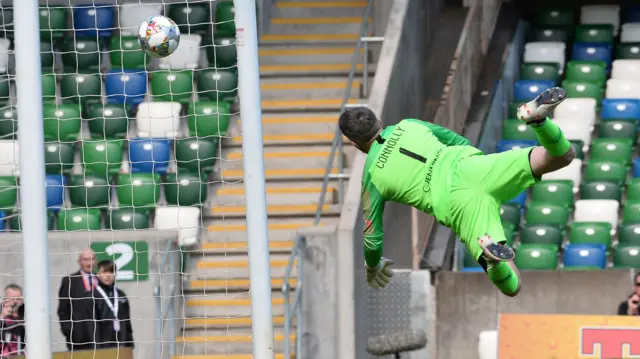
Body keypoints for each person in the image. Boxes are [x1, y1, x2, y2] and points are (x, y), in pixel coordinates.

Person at [340, 87, 576, 296]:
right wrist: (475, 165)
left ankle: (492, 259)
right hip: (473, 166)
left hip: (457, 203)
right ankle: (538, 121)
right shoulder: (409, 125)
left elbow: (372, 238)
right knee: (562, 156)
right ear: (379, 120)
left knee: (512, 286)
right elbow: (456, 140)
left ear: (353, 142)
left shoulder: (371, 176)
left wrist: (372, 267)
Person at [57, 248, 98, 351]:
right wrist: (70, 331)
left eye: (92, 259)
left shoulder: (101, 279)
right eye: (86, 259)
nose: (89, 263)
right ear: (79, 262)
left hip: (100, 337)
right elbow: (63, 310)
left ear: (96, 261)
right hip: (78, 338)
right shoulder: (69, 281)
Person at [92, 260, 134, 349]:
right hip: (102, 345)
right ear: (98, 274)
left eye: (111, 272)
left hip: (121, 343)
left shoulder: (121, 294)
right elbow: (90, 324)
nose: (108, 275)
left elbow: (127, 321)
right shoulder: (92, 295)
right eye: (105, 272)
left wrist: (130, 343)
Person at [0, 284, 25, 357]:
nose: (15, 302)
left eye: (18, 299)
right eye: (12, 298)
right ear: (4, 301)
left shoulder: (26, 315)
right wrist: (2, 316)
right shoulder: (2, 315)